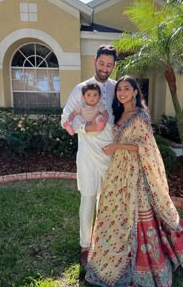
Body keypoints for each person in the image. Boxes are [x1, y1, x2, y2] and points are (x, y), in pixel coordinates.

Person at [85, 75, 183, 287]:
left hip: (136, 171)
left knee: (139, 210)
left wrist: (117, 147)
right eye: (119, 90)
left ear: (136, 92)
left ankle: (150, 258)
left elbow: (145, 147)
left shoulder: (140, 115)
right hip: (118, 171)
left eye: (127, 89)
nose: (122, 93)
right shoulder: (118, 113)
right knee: (114, 209)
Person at [61, 45, 117, 266]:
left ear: (114, 66)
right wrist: (87, 127)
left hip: (111, 153)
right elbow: (65, 117)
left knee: (107, 200)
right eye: (102, 63)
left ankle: (103, 240)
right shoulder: (81, 89)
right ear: (95, 61)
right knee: (88, 198)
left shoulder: (116, 88)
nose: (105, 68)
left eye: (109, 64)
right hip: (87, 154)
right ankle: (85, 245)